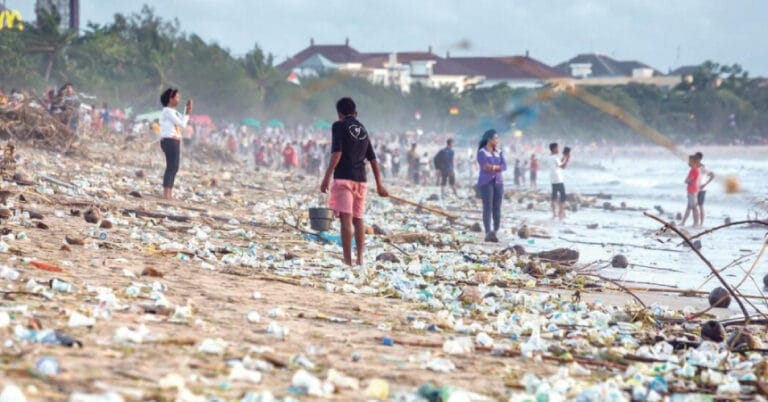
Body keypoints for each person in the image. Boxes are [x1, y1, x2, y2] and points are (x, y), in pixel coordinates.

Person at [320, 97, 388, 266]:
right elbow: (373, 159)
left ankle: (348, 260)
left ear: (339, 114)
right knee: (358, 220)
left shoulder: (338, 125)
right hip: (361, 181)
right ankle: (360, 260)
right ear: (355, 113)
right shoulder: (363, 130)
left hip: (344, 178)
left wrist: (326, 177)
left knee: (346, 219)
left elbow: (337, 153)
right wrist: (379, 185)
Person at [159, 88, 192, 201]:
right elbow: (183, 124)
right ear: (170, 99)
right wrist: (186, 114)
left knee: (174, 167)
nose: (178, 99)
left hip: (175, 140)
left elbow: (183, 121)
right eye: (176, 97)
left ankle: (169, 191)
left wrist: (187, 111)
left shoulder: (174, 112)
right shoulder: (167, 111)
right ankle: (166, 193)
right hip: (169, 140)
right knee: (171, 166)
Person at [476, 129, 506, 242]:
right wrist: (496, 167)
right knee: (487, 207)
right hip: (486, 182)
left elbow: (504, 166)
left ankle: (496, 230)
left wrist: (493, 167)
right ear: (489, 140)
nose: (497, 140)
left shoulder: (499, 151)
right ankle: (487, 231)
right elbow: (485, 166)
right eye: (496, 138)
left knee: (497, 207)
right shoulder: (481, 152)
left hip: (498, 182)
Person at [549, 143, 570, 220]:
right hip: (558, 179)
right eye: (557, 148)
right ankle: (561, 213)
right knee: (563, 196)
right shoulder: (555, 157)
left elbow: (558, 163)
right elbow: (563, 166)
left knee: (554, 196)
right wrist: (567, 159)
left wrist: (563, 158)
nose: (558, 149)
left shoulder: (550, 157)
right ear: (554, 149)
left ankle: (554, 213)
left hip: (553, 178)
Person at [694, 152, 715, 226]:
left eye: (696, 158)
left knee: (701, 206)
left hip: (702, 189)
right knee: (694, 206)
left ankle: (701, 223)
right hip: (695, 189)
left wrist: (705, 184)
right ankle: (696, 223)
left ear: (699, 159)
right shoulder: (695, 167)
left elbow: (712, 175)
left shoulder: (703, 167)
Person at [681, 155, 701, 227]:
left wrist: (687, 180)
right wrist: (687, 180)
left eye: (690, 161)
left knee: (693, 207)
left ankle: (696, 223)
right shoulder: (693, 170)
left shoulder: (694, 170)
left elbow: (688, 180)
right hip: (691, 190)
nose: (688, 162)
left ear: (693, 162)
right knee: (689, 207)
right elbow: (688, 180)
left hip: (692, 190)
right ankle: (684, 222)